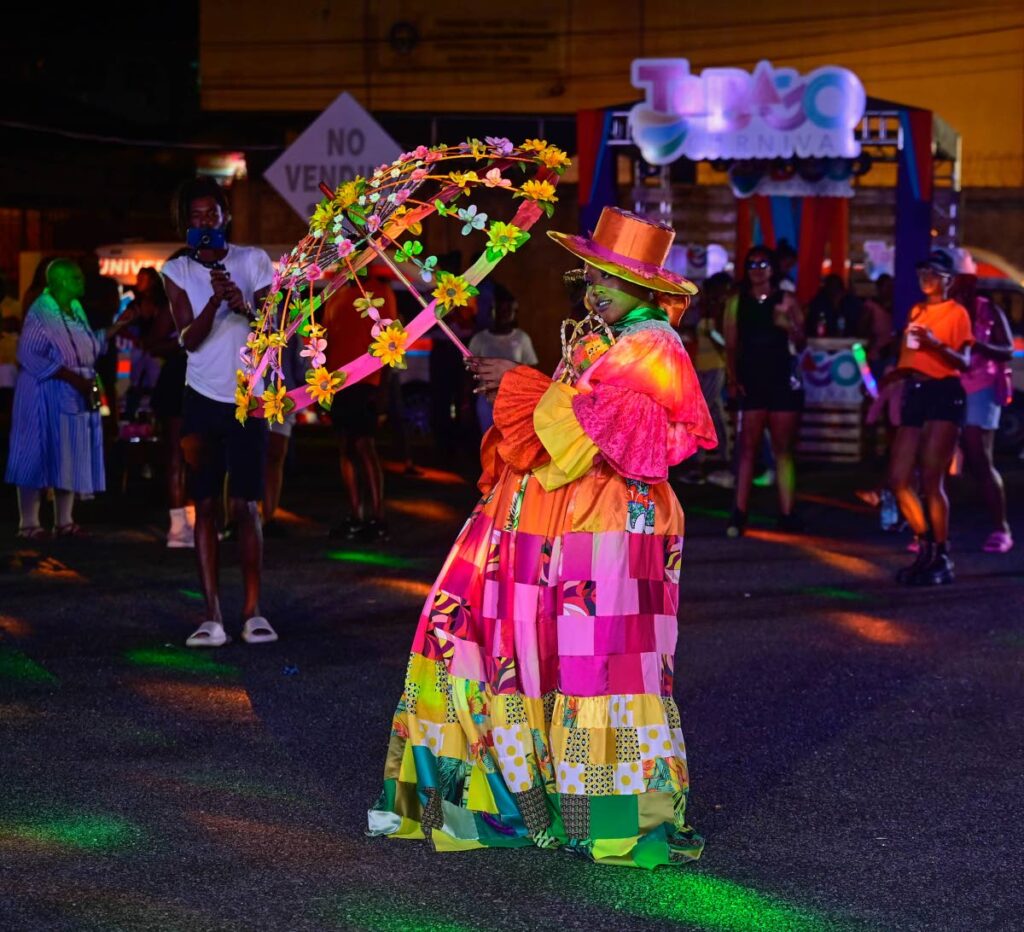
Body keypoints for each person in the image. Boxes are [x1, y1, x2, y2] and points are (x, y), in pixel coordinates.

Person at [367, 206, 716, 867]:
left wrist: (519, 385)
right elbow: (567, 422)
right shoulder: (606, 337)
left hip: (612, 532)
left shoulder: (653, 344)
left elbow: (594, 429)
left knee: (603, 669)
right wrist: (524, 388)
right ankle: (532, 798)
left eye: (611, 279)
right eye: (590, 276)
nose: (595, 289)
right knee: (522, 649)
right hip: (565, 523)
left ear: (647, 289)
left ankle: (611, 815)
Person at [161, 177, 278, 647]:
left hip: (249, 398)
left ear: (226, 215)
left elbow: (275, 326)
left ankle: (252, 613)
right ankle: (212, 615)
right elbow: (187, 338)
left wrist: (243, 304)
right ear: (185, 223)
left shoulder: (254, 260)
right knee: (205, 504)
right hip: (202, 398)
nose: (206, 222)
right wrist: (214, 301)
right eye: (196, 216)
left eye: (212, 214)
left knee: (246, 505)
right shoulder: (175, 270)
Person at [5, 259, 135, 537]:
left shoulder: (75, 309)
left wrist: (117, 328)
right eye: (76, 277)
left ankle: (64, 521)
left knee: (68, 454)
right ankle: (29, 524)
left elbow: (89, 345)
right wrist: (69, 375)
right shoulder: (42, 311)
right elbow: (27, 354)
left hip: (74, 392)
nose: (82, 281)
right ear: (61, 281)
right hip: (43, 392)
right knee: (35, 455)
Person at [888, 249, 973, 585]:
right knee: (898, 479)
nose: (927, 278)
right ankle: (926, 546)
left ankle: (941, 555)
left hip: (944, 393)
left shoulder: (957, 314)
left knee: (931, 481)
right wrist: (897, 374)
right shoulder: (917, 310)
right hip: (916, 391)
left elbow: (963, 361)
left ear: (948, 280)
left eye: (934, 273)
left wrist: (936, 344)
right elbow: (911, 355)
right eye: (923, 272)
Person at [724, 246, 806, 536]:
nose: (757, 269)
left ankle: (787, 513)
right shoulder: (737, 302)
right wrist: (733, 379)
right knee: (748, 448)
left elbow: (802, 341)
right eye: (751, 264)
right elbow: (731, 346)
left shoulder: (786, 300)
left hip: (782, 380)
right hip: (752, 381)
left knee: (783, 449)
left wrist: (788, 324)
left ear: (773, 269)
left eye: (763, 264)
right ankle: (739, 513)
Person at [321, 266, 394, 542]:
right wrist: (324, 390)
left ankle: (378, 516)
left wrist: (383, 387)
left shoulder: (381, 291)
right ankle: (356, 515)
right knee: (346, 448)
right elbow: (326, 342)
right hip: (339, 385)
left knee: (364, 446)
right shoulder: (334, 294)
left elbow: (392, 342)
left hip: (368, 382)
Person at [950, 273, 1014, 553]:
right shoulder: (943, 310)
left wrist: (979, 346)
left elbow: (1007, 349)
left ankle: (1001, 529)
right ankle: (935, 533)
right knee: (941, 460)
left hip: (982, 385)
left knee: (979, 456)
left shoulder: (989, 310)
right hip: (949, 385)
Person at [132, 263, 194, 547]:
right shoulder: (174, 304)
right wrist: (182, 345)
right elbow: (153, 343)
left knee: (196, 455)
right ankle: (180, 525)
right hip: (179, 380)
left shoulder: (204, 296)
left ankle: (193, 522)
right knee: (177, 455)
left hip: (199, 380)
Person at [677, 271, 732, 486]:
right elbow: (688, 331)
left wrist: (710, 331)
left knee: (699, 414)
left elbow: (725, 341)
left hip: (714, 367)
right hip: (699, 368)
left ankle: (696, 465)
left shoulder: (722, 310)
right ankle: (725, 462)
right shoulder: (699, 309)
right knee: (715, 414)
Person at [467, 284, 538, 433]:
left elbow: (532, 373)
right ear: (492, 310)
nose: (503, 314)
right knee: (488, 439)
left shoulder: (521, 338)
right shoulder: (479, 339)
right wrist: (467, 401)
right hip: (486, 400)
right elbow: (468, 372)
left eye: (508, 310)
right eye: (499, 309)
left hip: (515, 400)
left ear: (514, 312)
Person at [805, 273, 862, 338]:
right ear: (826, 289)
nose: (833, 291)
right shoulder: (819, 302)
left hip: (851, 342)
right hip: (822, 342)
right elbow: (813, 324)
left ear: (842, 290)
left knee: (859, 348)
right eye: (831, 288)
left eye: (835, 288)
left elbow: (856, 324)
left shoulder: (850, 302)